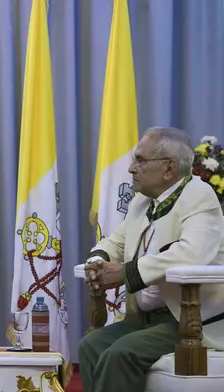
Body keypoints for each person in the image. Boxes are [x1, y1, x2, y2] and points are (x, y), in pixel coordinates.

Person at [80, 127, 224, 392]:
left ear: (169, 168)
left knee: (120, 354)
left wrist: (125, 273)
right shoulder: (141, 202)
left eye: (140, 160)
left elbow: (190, 255)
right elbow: (116, 242)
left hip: (188, 321)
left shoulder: (200, 197)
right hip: (146, 319)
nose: (132, 169)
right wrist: (97, 262)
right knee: (91, 346)